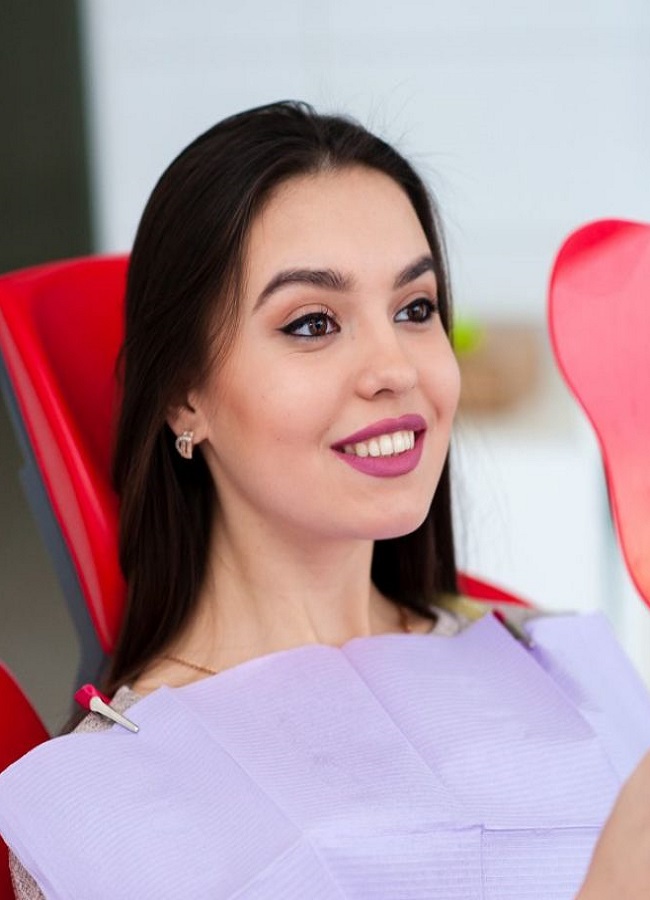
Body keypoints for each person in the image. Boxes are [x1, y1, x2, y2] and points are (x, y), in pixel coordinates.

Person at [1, 100, 650, 899]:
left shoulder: (549, 657)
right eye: (312, 323)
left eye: (415, 310)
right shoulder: (102, 807)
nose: (395, 367)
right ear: (183, 397)